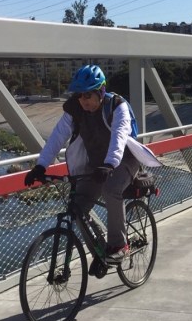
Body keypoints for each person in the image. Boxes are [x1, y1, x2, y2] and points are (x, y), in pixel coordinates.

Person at [24, 64, 140, 267]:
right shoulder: (75, 109)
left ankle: (119, 245)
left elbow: (120, 136)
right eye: (79, 96)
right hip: (96, 164)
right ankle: (100, 250)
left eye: (87, 96)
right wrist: (41, 166)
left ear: (101, 91)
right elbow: (58, 136)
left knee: (111, 190)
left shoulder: (117, 106)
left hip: (124, 159)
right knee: (77, 207)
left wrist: (110, 164)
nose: (82, 101)